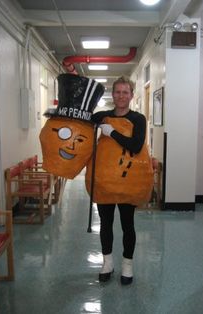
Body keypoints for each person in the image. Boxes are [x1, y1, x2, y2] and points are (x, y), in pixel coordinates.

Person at [91, 76, 147, 285]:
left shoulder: (138, 119)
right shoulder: (103, 115)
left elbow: (135, 146)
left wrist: (112, 132)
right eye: (117, 92)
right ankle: (107, 263)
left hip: (127, 181)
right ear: (112, 94)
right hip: (104, 180)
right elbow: (88, 119)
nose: (121, 96)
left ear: (132, 95)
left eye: (125, 92)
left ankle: (127, 266)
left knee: (127, 224)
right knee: (105, 224)